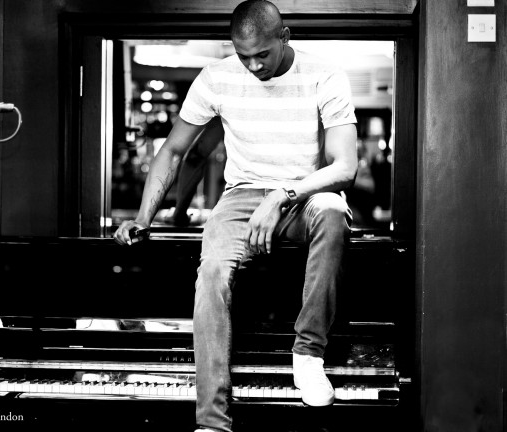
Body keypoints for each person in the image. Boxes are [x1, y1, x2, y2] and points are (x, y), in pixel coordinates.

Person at [114, 1, 358, 430]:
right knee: (211, 274)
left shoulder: (325, 75)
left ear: (285, 37)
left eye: (262, 54)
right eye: (244, 56)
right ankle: (211, 421)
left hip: (303, 195)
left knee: (334, 211)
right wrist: (144, 218)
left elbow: (345, 167)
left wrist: (281, 195)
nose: (254, 66)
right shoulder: (217, 77)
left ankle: (307, 354)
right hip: (241, 197)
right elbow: (175, 151)